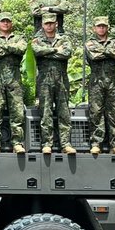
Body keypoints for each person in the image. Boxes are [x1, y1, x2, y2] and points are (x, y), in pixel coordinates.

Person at [31, 13, 76, 155]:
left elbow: (67, 53)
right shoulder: (37, 40)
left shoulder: (64, 39)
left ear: (56, 24)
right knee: (46, 112)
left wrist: (48, 52)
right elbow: (37, 52)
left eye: (52, 23)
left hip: (61, 79)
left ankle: (65, 143)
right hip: (44, 80)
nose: (49, 25)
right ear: (42, 25)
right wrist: (56, 50)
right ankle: (47, 143)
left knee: (64, 112)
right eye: (46, 23)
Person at [0, 12, 27, 154]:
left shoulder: (19, 38)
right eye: (3, 21)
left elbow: (21, 49)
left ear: (11, 23)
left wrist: (5, 47)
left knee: (17, 113)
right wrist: (11, 48)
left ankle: (17, 143)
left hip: (14, 79)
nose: (5, 24)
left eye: (8, 21)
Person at [85, 16, 115, 155]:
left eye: (104, 26)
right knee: (96, 113)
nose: (101, 28)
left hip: (112, 82)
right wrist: (108, 53)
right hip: (96, 82)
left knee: (113, 113)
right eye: (99, 26)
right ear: (94, 28)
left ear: (107, 27)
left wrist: (102, 51)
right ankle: (96, 143)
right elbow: (93, 56)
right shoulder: (90, 42)